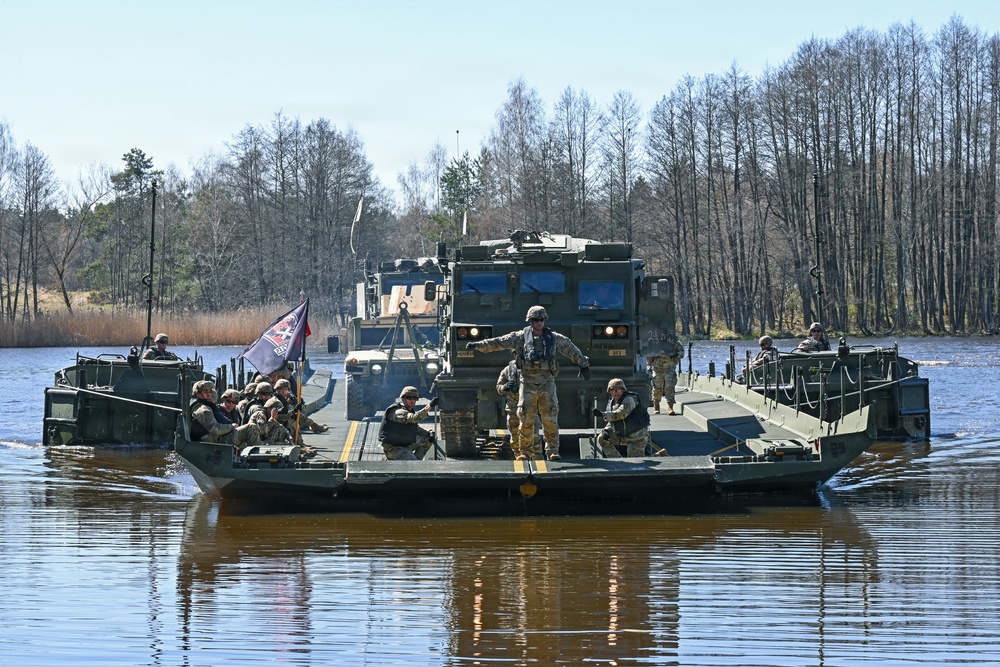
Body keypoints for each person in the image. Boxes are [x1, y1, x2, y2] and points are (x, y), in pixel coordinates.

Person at [466, 305, 591, 461]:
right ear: (530, 321)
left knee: (550, 418)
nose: (539, 323)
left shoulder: (554, 338)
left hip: (547, 381)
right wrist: (478, 345)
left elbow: (570, 348)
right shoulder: (519, 337)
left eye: (541, 320)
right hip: (527, 382)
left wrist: (583, 364)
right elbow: (498, 342)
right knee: (526, 418)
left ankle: (552, 450)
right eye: (536, 320)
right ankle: (525, 452)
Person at [593, 379, 667, 458]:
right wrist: (606, 430)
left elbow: (621, 414)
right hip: (623, 435)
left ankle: (658, 456)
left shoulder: (629, 400)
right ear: (609, 391)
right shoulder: (612, 402)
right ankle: (617, 460)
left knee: (636, 460)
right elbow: (613, 420)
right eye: (613, 390)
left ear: (623, 390)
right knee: (602, 438)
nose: (616, 392)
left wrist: (603, 414)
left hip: (637, 437)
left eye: (618, 389)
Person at [189, 380, 261, 447]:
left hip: (217, 439)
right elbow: (215, 429)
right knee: (251, 427)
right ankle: (257, 454)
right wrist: (231, 427)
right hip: (216, 442)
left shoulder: (206, 406)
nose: (209, 394)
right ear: (197, 393)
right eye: (205, 392)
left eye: (210, 391)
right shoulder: (203, 410)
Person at [496, 355, 542, 458]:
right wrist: (505, 387)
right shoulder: (508, 370)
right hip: (513, 407)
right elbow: (499, 387)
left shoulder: (533, 368)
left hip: (529, 406)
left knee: (533, 433)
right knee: (515, 434)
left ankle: (537, 456)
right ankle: (518, 455)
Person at [378, 386, 438, 460]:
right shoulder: (398, 412)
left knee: (427, 439)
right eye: (409, 398)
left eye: (414, 398)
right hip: (393, 448)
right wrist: (429, 406)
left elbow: (415, 428)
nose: (412, 400)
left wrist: (429, 434)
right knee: (412, 462)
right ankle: (392, 458)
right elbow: (414, 418)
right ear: (403, 399)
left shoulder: (409, 410)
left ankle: (416, 461)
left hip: (404, 444)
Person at [647, 340, 684, 415]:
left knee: (670, 386)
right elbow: (648, 353)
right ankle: (656, 405)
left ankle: (670, 407)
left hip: (669, 367)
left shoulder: (674, 342)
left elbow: (681, 353)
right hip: (657, 367)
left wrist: (674, 354)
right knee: (657, 387)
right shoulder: (654, 341)